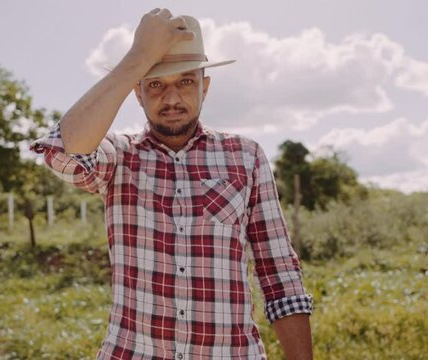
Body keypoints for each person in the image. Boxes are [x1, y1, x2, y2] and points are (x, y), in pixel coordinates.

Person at [29, 8, 313, 360]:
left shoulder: (246, 156)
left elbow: (279, 273)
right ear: (137, 92)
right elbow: (65, 154)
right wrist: (137, 58)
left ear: (205, 86)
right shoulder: (119, 156)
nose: (172, 98)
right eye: (156, 84)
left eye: (186, 82)